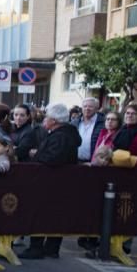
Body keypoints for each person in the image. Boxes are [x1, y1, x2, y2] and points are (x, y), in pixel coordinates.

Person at [18, 103, 81, 260]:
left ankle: (38, 247)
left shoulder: (62, 136)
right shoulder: (63, 134)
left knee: (41, 215)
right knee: (55, 216)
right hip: (56, 183)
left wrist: (37, 155)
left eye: (47, 118)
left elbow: (54, 158)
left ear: (54, 120)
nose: (44, 120)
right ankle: (51, 248)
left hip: (51, 183)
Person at [76, 97, 105, 163]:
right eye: (85, 106)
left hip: (93, 164)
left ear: (96, 108)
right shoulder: (75, 122)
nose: (87, 109)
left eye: (90, 106)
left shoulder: (103, 123)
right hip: (76, 162)